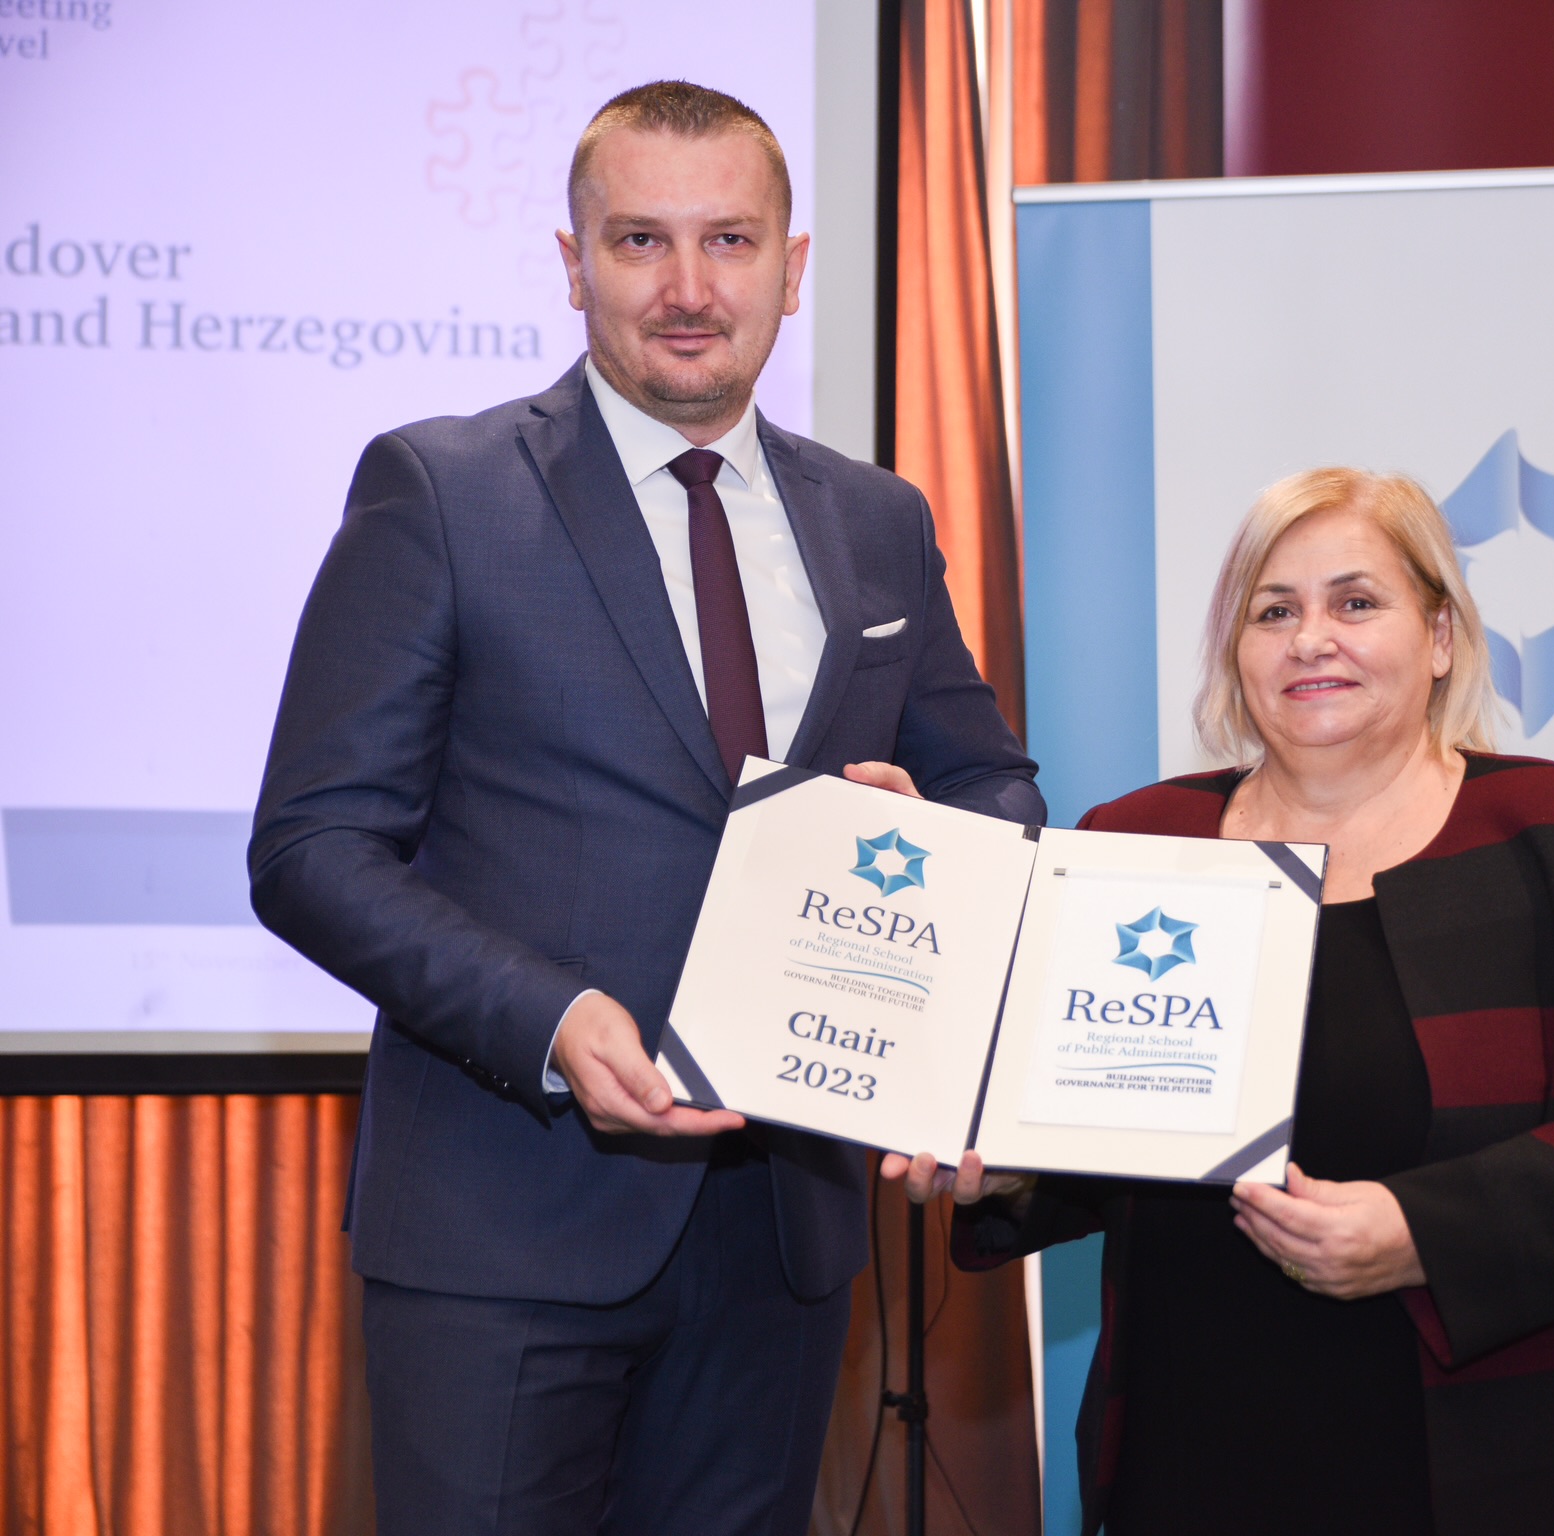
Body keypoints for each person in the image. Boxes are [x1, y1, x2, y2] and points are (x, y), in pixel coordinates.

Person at [249, 80, 1042, 1535]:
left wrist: (932, 841)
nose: (688, 289)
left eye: (729, 241)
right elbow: (312, 847)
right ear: (573, 265)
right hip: (506, 1217)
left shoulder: (876, 521)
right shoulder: (442, 492)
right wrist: (549, 1019)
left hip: (784, 1228)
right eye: (639, 242)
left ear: (792, 269)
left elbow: (992, 780)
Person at [887, 468, 1554, 1535]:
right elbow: (1094, 1127)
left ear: (1439, 636)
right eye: (1273, 611)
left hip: (1517, 1466)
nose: (1310, 640)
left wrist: (1422, 1233)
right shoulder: (1133, 840)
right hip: (1194, 1457)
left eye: (1356, 602)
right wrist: (1010, 1166)